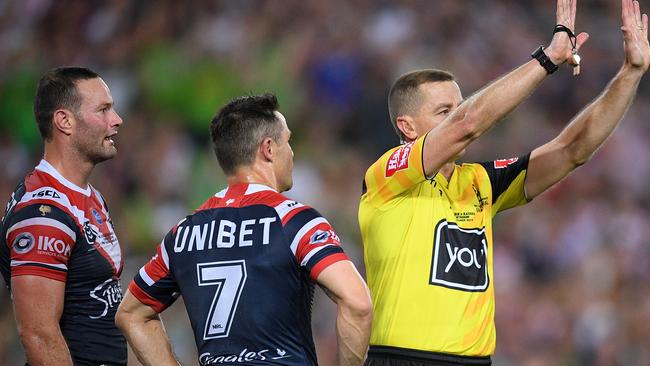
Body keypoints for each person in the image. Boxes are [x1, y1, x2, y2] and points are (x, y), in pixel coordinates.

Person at [359, 0, 649, 364]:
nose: (456, 117)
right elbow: (467, 124)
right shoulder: (387, 176)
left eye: (458, 107)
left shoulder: (480, 181)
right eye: (443, 113)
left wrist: (630, 73)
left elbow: (571, 149)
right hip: (402, 358)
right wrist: (547, 59)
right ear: (407, 126)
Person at [116, 93, 373, 366]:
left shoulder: (183, 233)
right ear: (269, 148)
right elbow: (358, 303)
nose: (293, 152)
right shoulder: (294, 221)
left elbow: (131, 314)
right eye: (288, 141)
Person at [0, 67, 127, 365]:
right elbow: (38, 334)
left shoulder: (89, 197)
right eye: (104, 110)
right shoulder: (44, 212)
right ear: (64, 121)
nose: (117, 119)